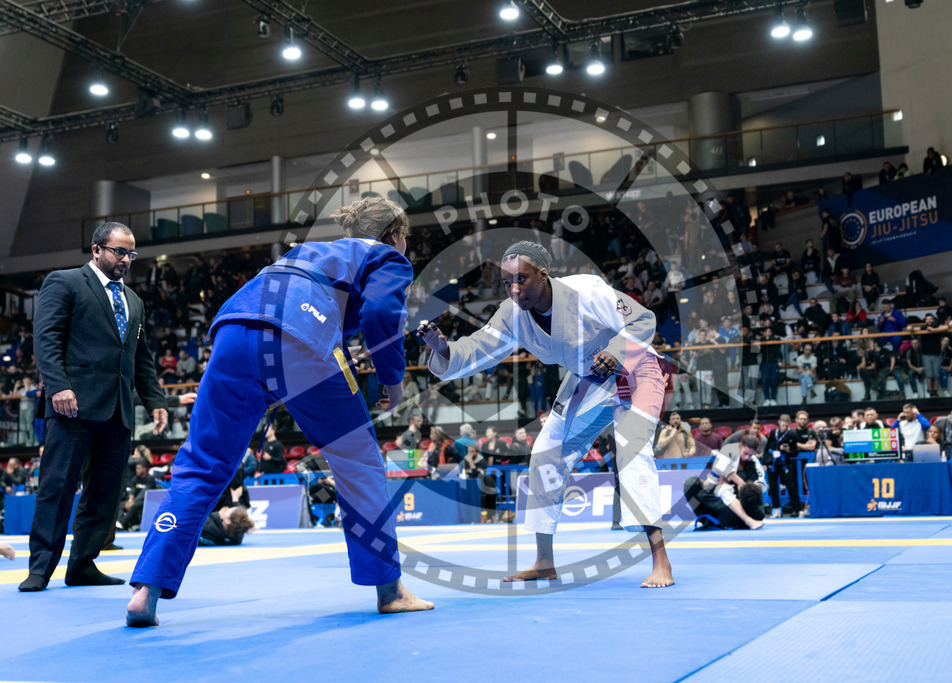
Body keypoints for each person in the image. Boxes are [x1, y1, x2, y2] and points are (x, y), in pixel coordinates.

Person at [125, 197, 433, 627]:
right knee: (358, 463)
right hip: (300, 338)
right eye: (404, 239)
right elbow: (383, 311)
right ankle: (389, 589)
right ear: (395, 236)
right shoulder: (386, 256)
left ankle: (146, 589)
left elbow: (286, 311)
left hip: (234, 328)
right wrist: (393, 381)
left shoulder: (307, 252)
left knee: (202, 463)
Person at [417, 240, 674, 588]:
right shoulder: (512, 314)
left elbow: (643, 321)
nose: (514, 289)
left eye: (522, 279)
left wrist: (615, 351)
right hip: (591, 379)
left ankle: (661, 561)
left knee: (631, 450)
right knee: (546, 451)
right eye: (507, 283)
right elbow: (478, 347)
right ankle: (544, 562)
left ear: (543, 274)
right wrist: (443, 349)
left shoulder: (587, 291)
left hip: (635, 369)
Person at [20, 223, 168, 593]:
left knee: (105, 492)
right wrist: (58, 386)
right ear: (96, 250)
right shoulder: (65, 282)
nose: (126, 260)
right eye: (119, 251)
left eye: (131, 253)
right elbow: (46, 337)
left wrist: (155, 402)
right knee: (57, 487)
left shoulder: (134, 301)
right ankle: (39, 568)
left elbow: (141, 359)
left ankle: (83, 564)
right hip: (71, 405)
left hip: (117, 408)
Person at [684, 436, 766, 530]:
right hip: (715, 492)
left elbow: (761, 480)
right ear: (740, 446)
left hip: (735, 500)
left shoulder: (753, 461)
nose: (747, 457)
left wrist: (754, 487)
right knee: (722, 488)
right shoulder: (730, 449)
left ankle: (738, 520)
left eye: (750, 455)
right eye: (745, 453)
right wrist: (739, 482)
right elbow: (721, 466)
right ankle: (748, 521)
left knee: (758, 511)